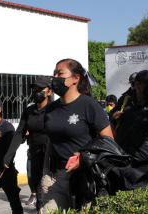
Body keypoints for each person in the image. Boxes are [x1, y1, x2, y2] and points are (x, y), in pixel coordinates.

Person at [39, 59, 113, 213]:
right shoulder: (50, 109)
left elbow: (108, 142)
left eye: (60, 73)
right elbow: (50, 142)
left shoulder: (90, 106)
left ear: (76, 78)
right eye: (54, 73)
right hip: (55, 178)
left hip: (83, 178)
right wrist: (46, 171)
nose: (55, 77)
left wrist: (85, 159)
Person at [109, 70, 148, 180]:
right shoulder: (125, 100)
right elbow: (111, 116)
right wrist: (113, 117)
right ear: (137, 84)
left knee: (142, 193)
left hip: (145, 160)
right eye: (147, 84)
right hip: (123, 157)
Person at [2, 76, 53, 211]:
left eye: (40, 89)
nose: (36, 91)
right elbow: (19, 133)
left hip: (52, 158)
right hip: (35, 156)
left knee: (49, 192)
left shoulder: (54, 110)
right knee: (38, 190)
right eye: (35, 88)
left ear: (49, 91)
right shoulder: (29, 111)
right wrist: (8, 155)